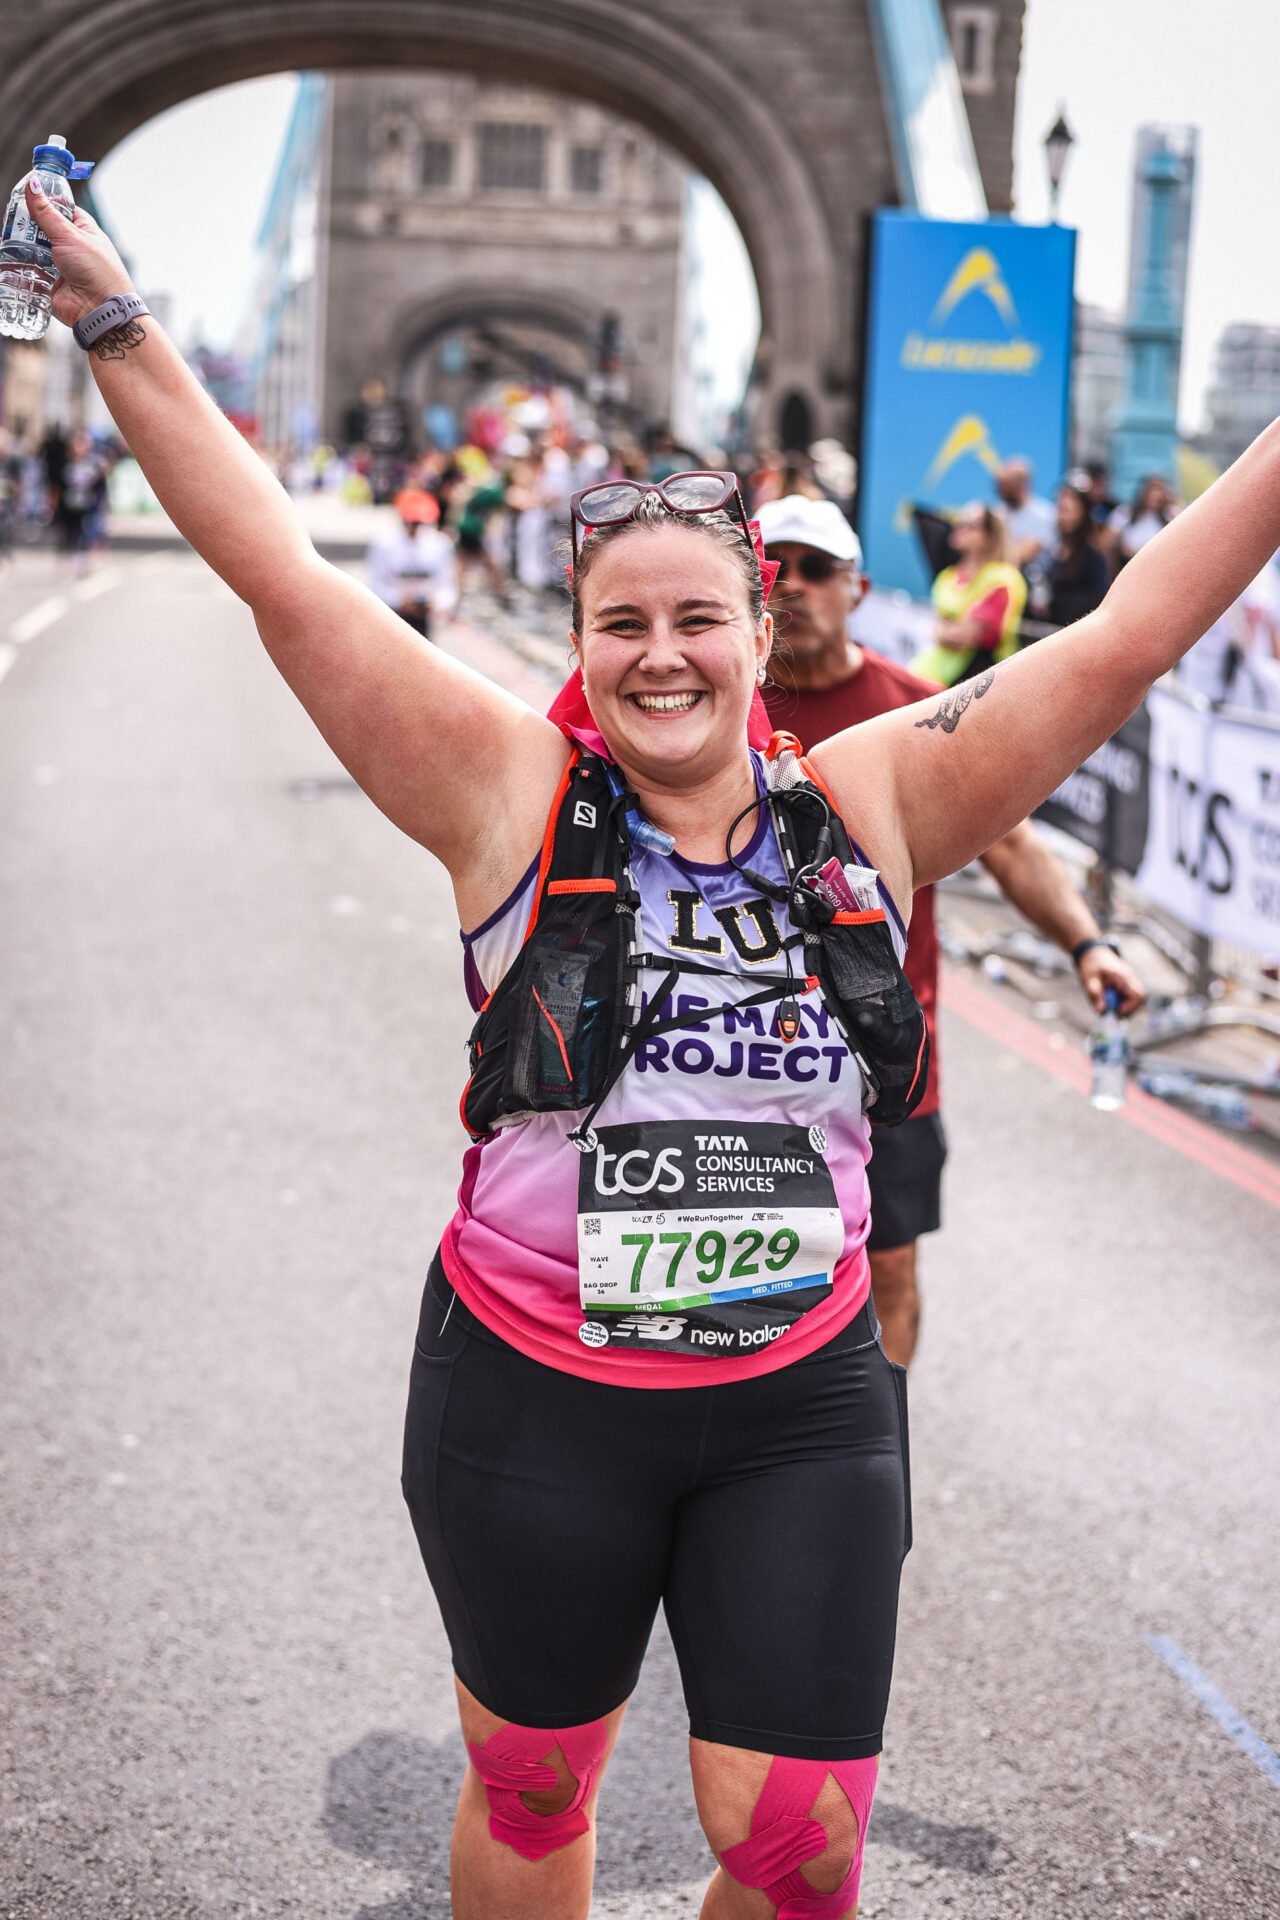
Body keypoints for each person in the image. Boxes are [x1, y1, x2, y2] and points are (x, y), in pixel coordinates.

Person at [35, 179, 1280, 1920]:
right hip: (533, 1394)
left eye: (700, 618)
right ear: (579, 645)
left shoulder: (877, 797)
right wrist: (114, 322)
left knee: (804, 1850)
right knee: (537, 1791)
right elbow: (276, 569)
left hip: (798, 1401)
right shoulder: (507, 794)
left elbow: (1132, 632)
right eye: (621, 624)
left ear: (764, 634)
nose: (662, 656)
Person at [757, 494, 1145, 1365]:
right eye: (775, 572)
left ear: (859, 589)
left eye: (817, 570)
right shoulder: (715, 712)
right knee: (752, 1286)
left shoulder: (916, 711)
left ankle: (883, 1435)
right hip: (738, 1056)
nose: (795, 589)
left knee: (888, 1272)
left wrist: (1087, 945)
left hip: (884, 1063)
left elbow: (1012, 848)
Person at [912, 502, 1026, 686]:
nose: (959, 527)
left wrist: (947, 630)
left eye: (968, 524)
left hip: (982, 681)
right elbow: (941, 629)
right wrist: (953, 628)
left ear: (987, 536)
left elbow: (969, 636)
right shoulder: (947, 576)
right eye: (959, 522)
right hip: (936, 675)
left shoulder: (1003, 578)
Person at [365, 488, 458, 639]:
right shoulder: (384, 543)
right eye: (410, 522)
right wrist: (400, 600)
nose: (414, 528)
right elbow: (374, 585)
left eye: (419, 523)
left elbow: (447, 586)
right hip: (393, 615)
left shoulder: (440, 544)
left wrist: (436, 602)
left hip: (425, 618)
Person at [1045, 481, 1110, 629]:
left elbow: (1097, 602)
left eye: (1067, 510)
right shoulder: (1053, 550)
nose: (1062, 517)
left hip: (1076, 631)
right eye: (1060, 509)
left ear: (1082, 513)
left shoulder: (1092, 557)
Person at [995, 455, 1056, 596]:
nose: (1001, 490)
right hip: (1002, 585)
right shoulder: (998, 512)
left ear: (1022, 484)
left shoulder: (1044, 515)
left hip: (1035, 589)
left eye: (1007, 484)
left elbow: (1021, 556)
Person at [1107, 473, 1178, 567]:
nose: (1155, 494)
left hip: (1159, 566)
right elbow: (1106, 544)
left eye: (1160, 489)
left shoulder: (1170, 515)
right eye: (1152, 488)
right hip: (1128, 565)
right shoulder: (1124, 513)